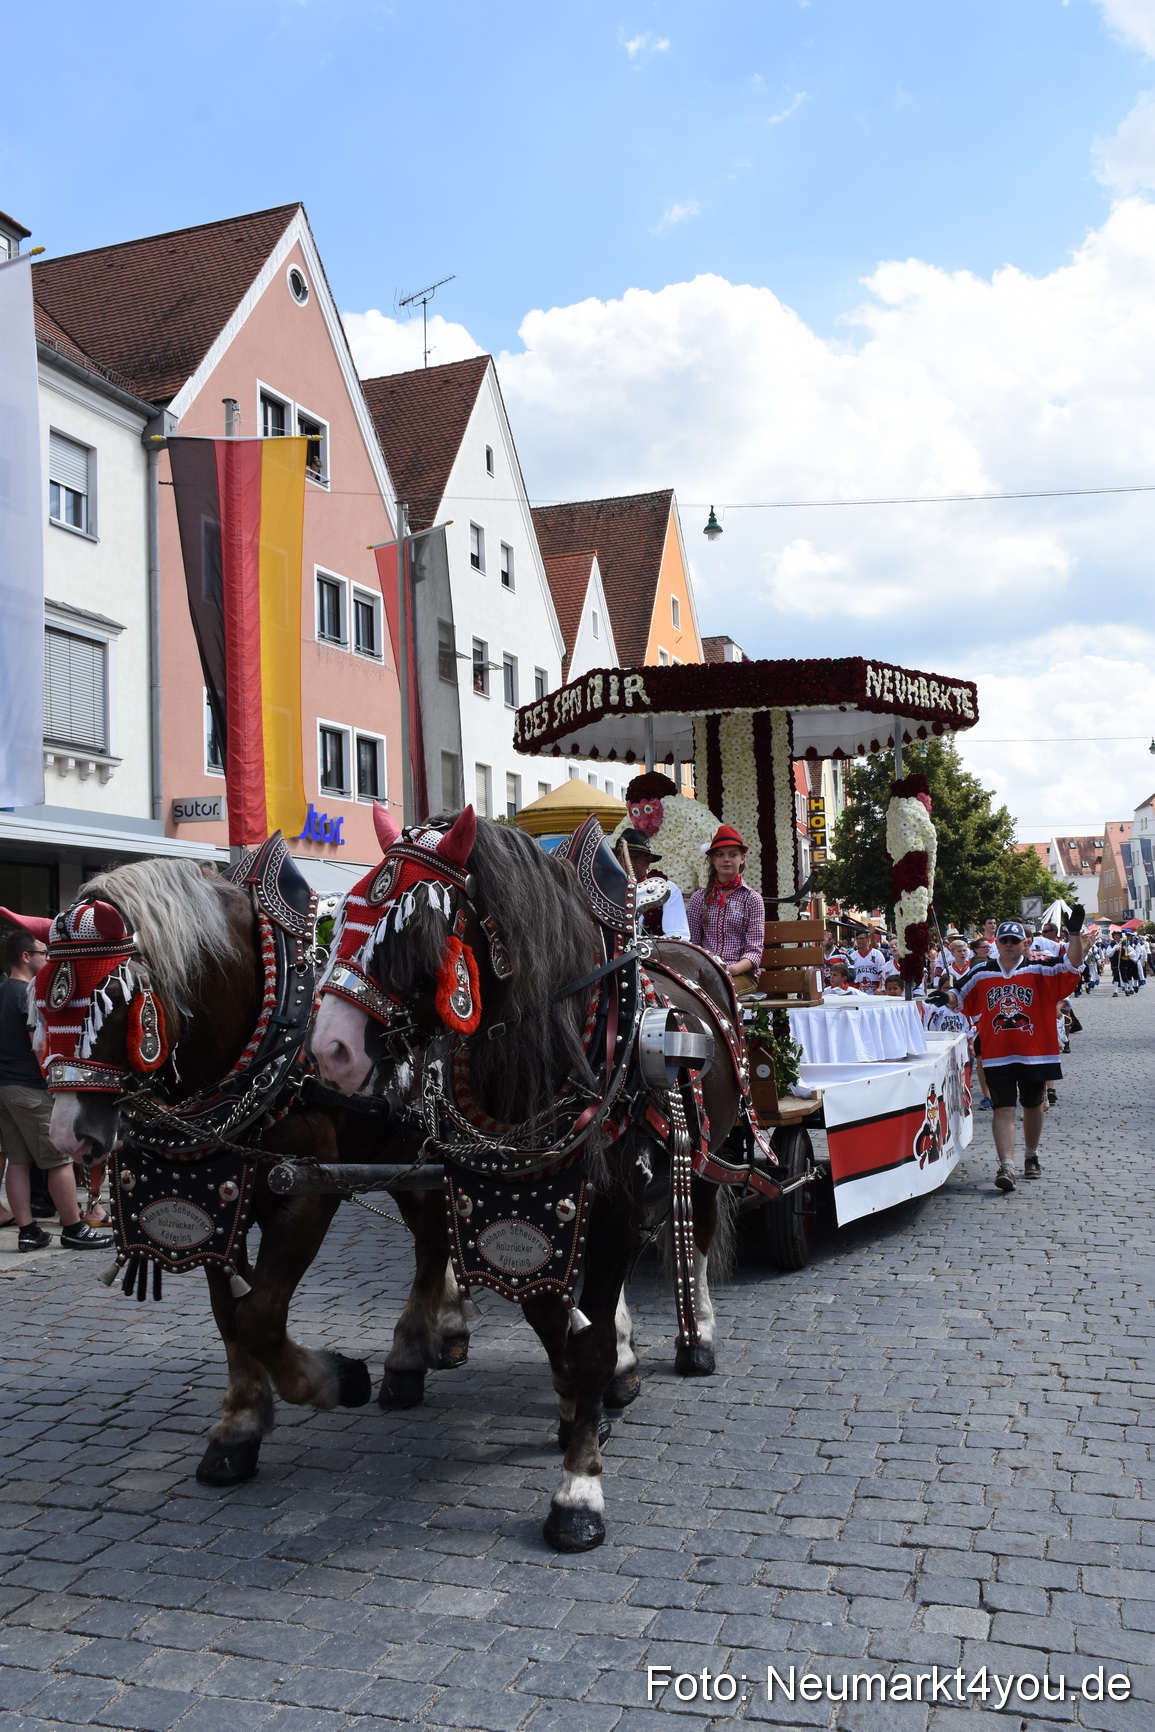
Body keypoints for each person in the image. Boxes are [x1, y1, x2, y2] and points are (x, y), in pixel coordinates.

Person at [955, 913, 1087, 1193]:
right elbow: (959, 993)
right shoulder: (982, 972)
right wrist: (945, 997)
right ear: (996, 943)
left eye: (1015, 941)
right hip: (997, 1052)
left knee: (1033, 1105)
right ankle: (1007, 1166)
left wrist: (1074, 934)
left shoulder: (1041, 969)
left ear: (1025, 942)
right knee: (1002, 1108)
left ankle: (1031, 1154)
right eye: (1004, 940)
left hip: (1036, 1052)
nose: (1009, 945)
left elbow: (1072, 964)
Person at [0, 927, 113, 1252]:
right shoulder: (26, 995)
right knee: (59, 1160)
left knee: (18, 1161)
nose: (48, 958)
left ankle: (28, 1231)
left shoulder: (1, 991)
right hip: (31, 1089)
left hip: (5, 1088)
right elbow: (39, 1044)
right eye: (42, 953)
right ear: (26, 957)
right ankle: (74, 1228)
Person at [685, 825, 764, 983]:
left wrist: (731, 969)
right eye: (720, 855)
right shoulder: (698, 898)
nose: (726, 859)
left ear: (742, 858)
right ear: (713, 859)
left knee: (717, 988)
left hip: (741, 974)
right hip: (705, 973)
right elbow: (692, 944)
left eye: (733, 854)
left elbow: (754, 951)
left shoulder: (752, 899)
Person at [620, 827, 691, 939]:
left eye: (636, 858)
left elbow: (678, 936)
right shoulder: (606, 888)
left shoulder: (665, 888)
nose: (630, 863)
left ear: (648, 861)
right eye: (625, 858)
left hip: (654, 955)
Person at [847, 930, 887, 994]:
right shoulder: (852, 956)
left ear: (868, 940)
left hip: (874, 992)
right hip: (857, 992)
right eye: (857, 939)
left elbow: (882, 975)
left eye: (862, 938)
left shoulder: (877, 954)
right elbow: (850, 977)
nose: (859, 941)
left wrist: (880, 988)